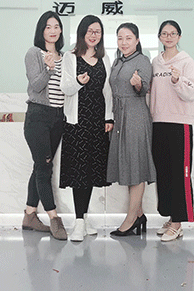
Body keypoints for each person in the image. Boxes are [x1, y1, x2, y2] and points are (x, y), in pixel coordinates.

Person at [60, 15, 114, 242]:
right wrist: (79, 82)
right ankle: (79, 221)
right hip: (77, 122)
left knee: (91, 171)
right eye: (90, 31)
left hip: (97, 121)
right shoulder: (70, 57)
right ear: (82, 32)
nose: (94, 35)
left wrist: (109, 117)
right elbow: (65, 88)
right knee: (79, 172)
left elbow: (108, 91)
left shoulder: (105, 58)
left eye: (97, 31)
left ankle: (84, 217)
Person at [149, 20, 194, 241]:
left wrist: (178, 80)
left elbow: (193, 93)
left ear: (179, 36)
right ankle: (171, 218)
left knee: (180, 173)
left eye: (173, 33)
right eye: (164, 33)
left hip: (180, 124)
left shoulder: (186, 61)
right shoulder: (155, 62)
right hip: (158, 122)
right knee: (164, 173)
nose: (168, 37)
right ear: (159, 37)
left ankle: (178, 222)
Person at [22, 11, 67, 240]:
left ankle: (30, 215)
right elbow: (36, 86)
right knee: (44, 168)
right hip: (38, 116)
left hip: (58, 118)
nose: (52, 30)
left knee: (40, 166)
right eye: (48, 26)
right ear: (41, 30)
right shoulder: (34, 53)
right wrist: (49, 69)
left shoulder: (64, 56)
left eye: (56, 26)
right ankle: (54, 218)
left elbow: (66, 88)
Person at [107, 22, 155, 236]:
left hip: (135, 116)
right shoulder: (117, 61)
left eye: (128, 38)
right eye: (120, 38)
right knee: (128, 166)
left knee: (136, 166)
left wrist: (137, 84)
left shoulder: (142, 60)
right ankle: (139, 214)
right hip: (120, 116)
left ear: (137, 40)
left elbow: (143, 88)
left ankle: (130, 219)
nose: (124, 42)